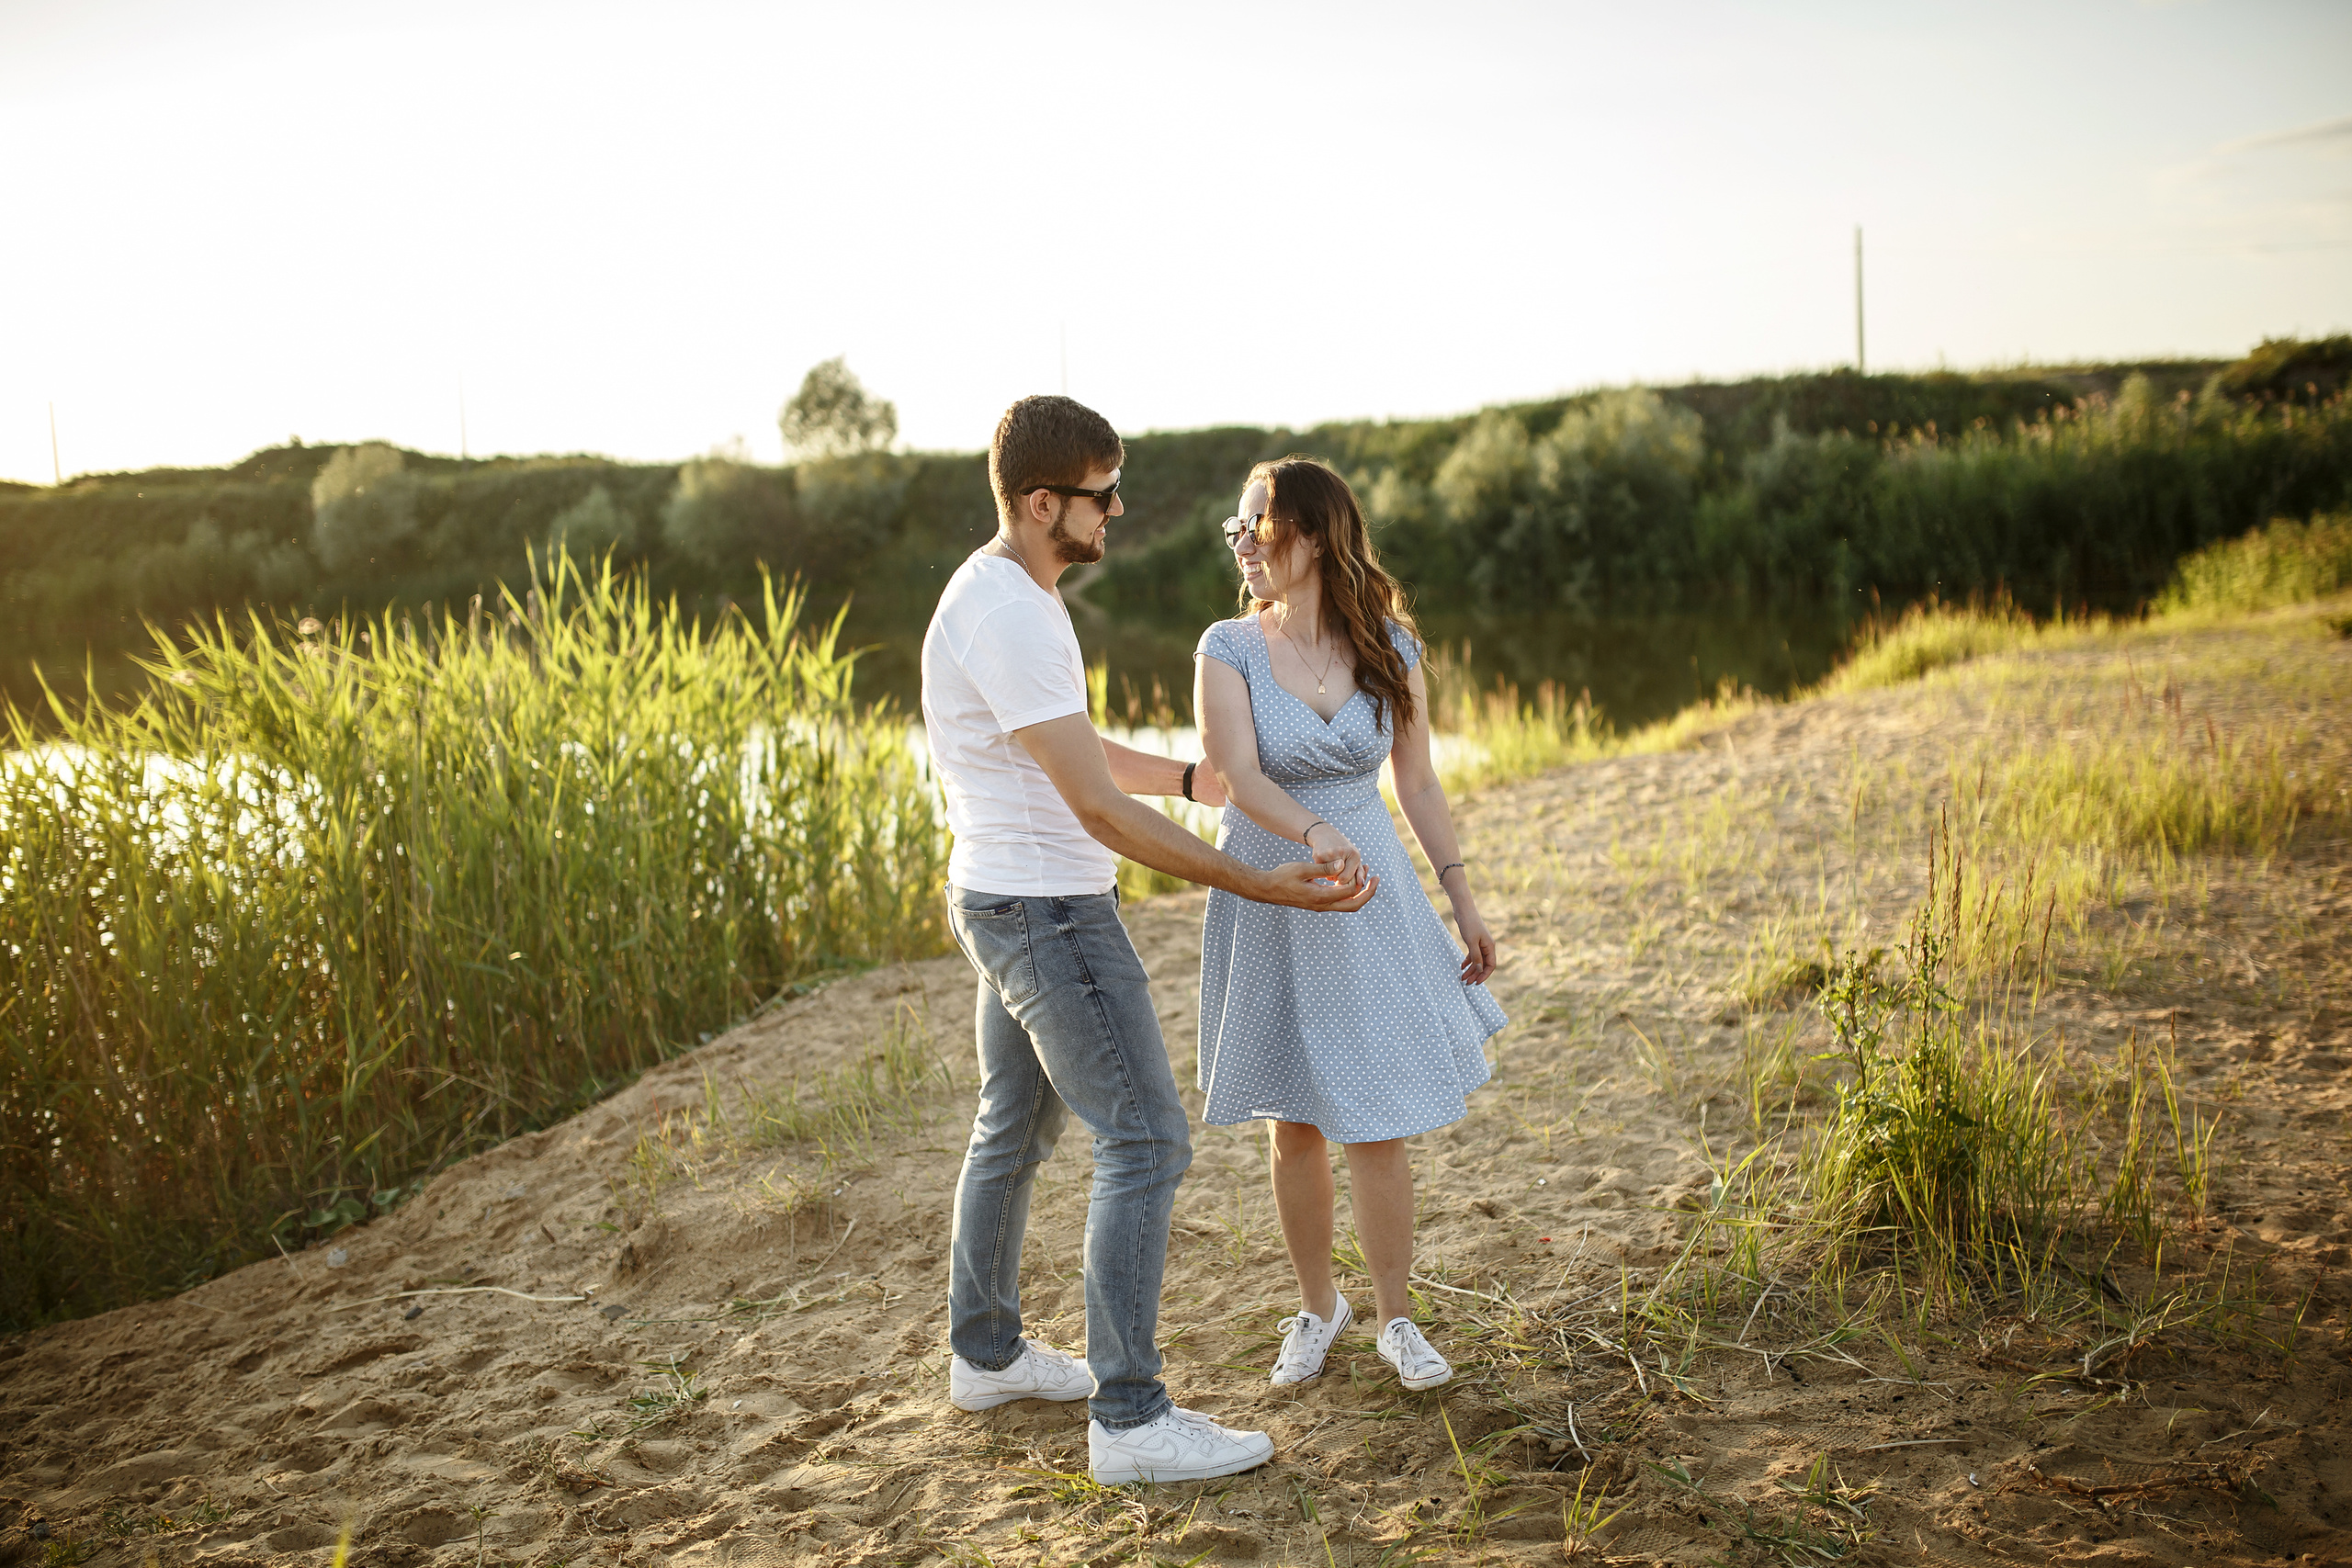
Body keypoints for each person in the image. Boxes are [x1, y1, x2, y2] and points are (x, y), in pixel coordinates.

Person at [923, 398, 1378, 1485]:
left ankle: (985, 1356)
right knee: (1146, 1141)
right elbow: (1094, 811)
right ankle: (1130, 1419)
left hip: (997, 894)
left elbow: (1066, 751)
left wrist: (1188, 777)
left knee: (1012, 1128)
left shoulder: (997, 591)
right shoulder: (1018, 616)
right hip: (1049, 913)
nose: (1118, 509)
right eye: (1100, 494)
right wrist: (1251, 882)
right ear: (1044, 504)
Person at [1193, 457, 1507, 1393]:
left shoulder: (1392, 647)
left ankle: (1395, 1320)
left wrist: (1463, 900)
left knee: (1377, 1119)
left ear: (1317, 536)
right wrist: (1315, 829)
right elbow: (1239, 776)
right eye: (1235, 528)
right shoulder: (1225, 647)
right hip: (1278, 876)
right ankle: (1315, 1304)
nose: (1243, 542)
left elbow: (1415, 781)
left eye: (1260, 525)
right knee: (1294, 1121)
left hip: (1372, 889)